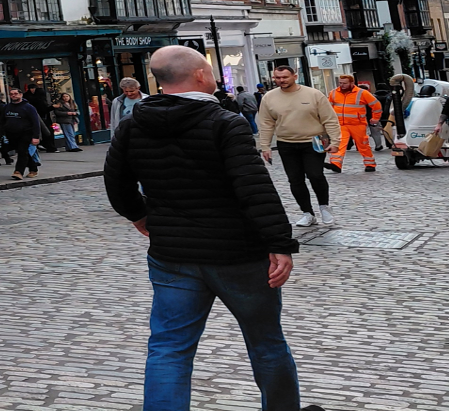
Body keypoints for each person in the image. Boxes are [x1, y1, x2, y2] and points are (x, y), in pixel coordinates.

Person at [103, 46, 318, 411]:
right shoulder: (224, 122)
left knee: (169, 348)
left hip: (173, 253)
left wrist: (139, 215)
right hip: (238, 255)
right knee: (266, 342)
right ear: (201, 75)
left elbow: (116, 181)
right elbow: (253, 187)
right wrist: (280, 243)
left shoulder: (132, 125)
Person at [256, 65, 338, 227]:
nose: (281, 80)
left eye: (285, 77)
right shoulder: (269, 98)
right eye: (278, 78)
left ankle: (324, 207)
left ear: (295, 76)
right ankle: (307, 213)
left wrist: (335, 141)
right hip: (286, 143)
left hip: (313, 141)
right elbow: (266, 123)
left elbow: (330, 119)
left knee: (315, 175)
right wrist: (265, 146)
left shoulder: (313, 94)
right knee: (295, 180)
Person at [325, 74, 381, 174]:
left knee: (363, 144)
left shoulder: (362, 93)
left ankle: (370, 164)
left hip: (357, 124)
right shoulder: (333, 93)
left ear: (352, 83)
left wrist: (375, 118)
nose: (342, 85)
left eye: (344, 83)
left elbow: (376, 105)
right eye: (340, 83)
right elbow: (328, 108)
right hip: (341, 124)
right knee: (339, 144)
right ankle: (336, 164)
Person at [1, 87, 45, 180]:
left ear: (21, 95)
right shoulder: (7, 107)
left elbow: (35, 122)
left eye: (16, 94)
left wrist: (36, 136)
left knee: (22, 151)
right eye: (11, 94)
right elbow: (3, 120)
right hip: (11, 134)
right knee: (23, 152)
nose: (13, 95)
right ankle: (33, 168)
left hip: (25, 133)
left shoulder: (29, 107)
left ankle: (18, 171)